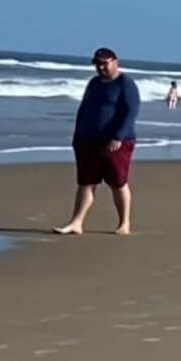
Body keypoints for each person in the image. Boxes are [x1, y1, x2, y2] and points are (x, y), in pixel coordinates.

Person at [56, 48, 141, 235]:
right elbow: (84, 108)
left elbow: (131, 112)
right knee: (86, 182)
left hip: (116, 142)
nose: (101, 67)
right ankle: (76, 222)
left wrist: (118, 136)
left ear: (115, 62)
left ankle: (123, 223)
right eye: (98, 64)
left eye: (105, 63)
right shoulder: (94, 83)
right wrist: (78, 134)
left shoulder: (125, 84)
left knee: (117, 182)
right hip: (88, 140)